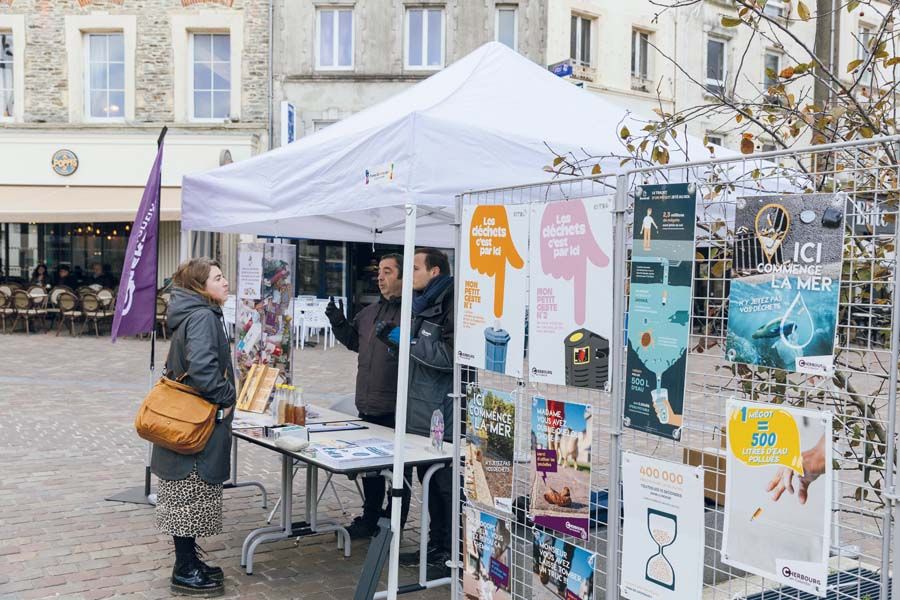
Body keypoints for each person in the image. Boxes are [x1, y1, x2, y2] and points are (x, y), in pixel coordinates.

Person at [150, 257, 235, 597]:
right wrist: (227, 396)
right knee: (188, 493)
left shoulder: (197, 313)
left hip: (188, 421)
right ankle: (184, 570)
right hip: (194, 422)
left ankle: (189, 561)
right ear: (201, 286)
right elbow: (201, 368)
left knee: (189, 495)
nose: (225, 282)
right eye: (218, 277)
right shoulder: (202, 316)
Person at [377, 247, 455, 576]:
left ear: (434, 271)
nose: (410, 275)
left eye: (415, 268)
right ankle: (436, 547)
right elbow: (419, 353)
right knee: (430, 483)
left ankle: (450, 553)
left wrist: (408, 342)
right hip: (420, 410)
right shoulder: (422, 303)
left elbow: (451, 357)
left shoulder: (451, 303)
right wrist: (396, 341)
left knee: (445, 486)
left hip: (442, 412)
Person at [324, 253, 410, 538]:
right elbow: (354, 342)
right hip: (368, 403)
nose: (380, 277)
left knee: (398, 470)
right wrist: (338, 322)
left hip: (396, 406)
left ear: (403, 276)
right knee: (371, 468)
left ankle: (394, 522)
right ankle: (370, 517)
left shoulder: (412, 313)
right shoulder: (370, 312)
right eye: (379, 272)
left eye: (388, 272)